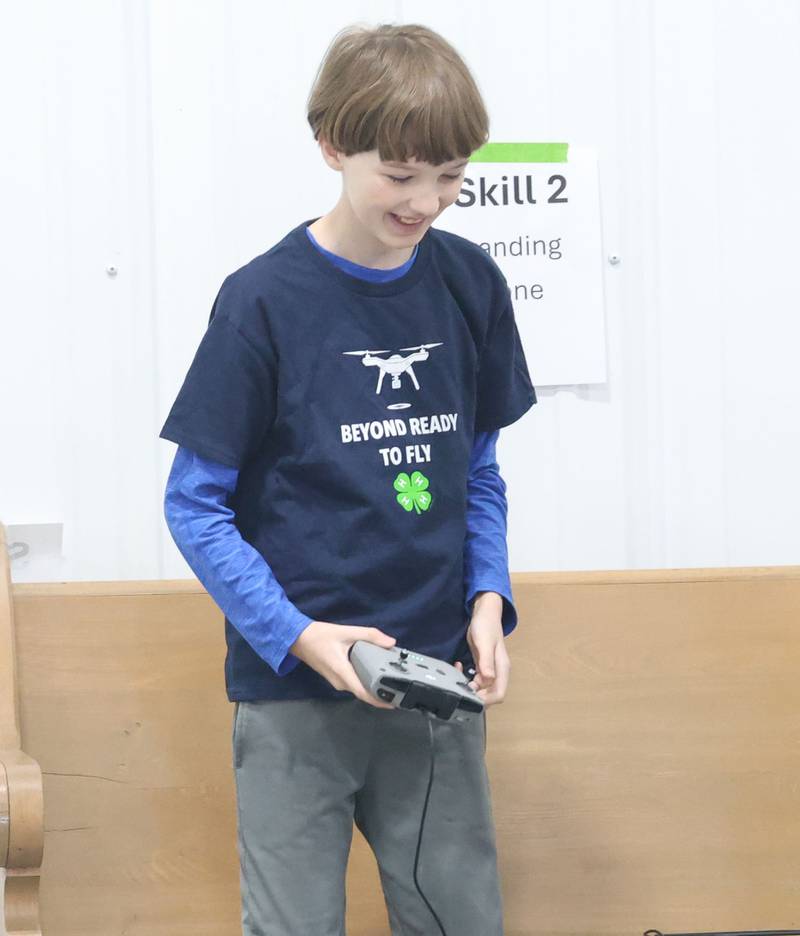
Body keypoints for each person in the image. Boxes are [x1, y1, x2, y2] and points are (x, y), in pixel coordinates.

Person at [159, 21, 536, 936]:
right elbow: (193, 506)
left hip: (436, 681)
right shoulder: (261, 301)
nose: (426, 202)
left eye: (449, 178)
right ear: (331, 144)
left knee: (460, 922)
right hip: (294, 696)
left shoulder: (471, 283)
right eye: (400, 175)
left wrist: (489, 600)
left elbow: (477, 472)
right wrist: (300, 637)